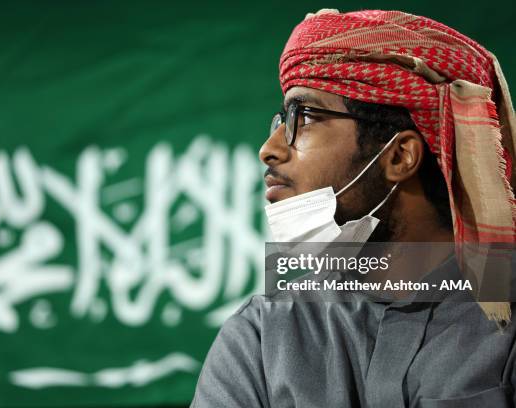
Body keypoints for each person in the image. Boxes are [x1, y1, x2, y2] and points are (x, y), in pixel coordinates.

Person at [191, 9, 516, 407]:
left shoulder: (506, 321)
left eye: (304, 117)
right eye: (280, 120)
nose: (270, 149)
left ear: (398, 157)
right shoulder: (263, 335)